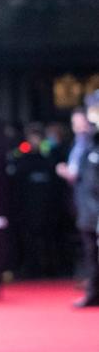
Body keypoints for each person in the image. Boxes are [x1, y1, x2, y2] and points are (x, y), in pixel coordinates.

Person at [58, 107, 99, 307]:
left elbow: (91, 179)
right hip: (84, 205)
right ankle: (93, 291)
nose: (77, 127)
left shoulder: (92, 144)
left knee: (92, 250)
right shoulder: (78, 145)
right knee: (90, 251)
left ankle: (93, 292)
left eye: (80, 122)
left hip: (93, 206)